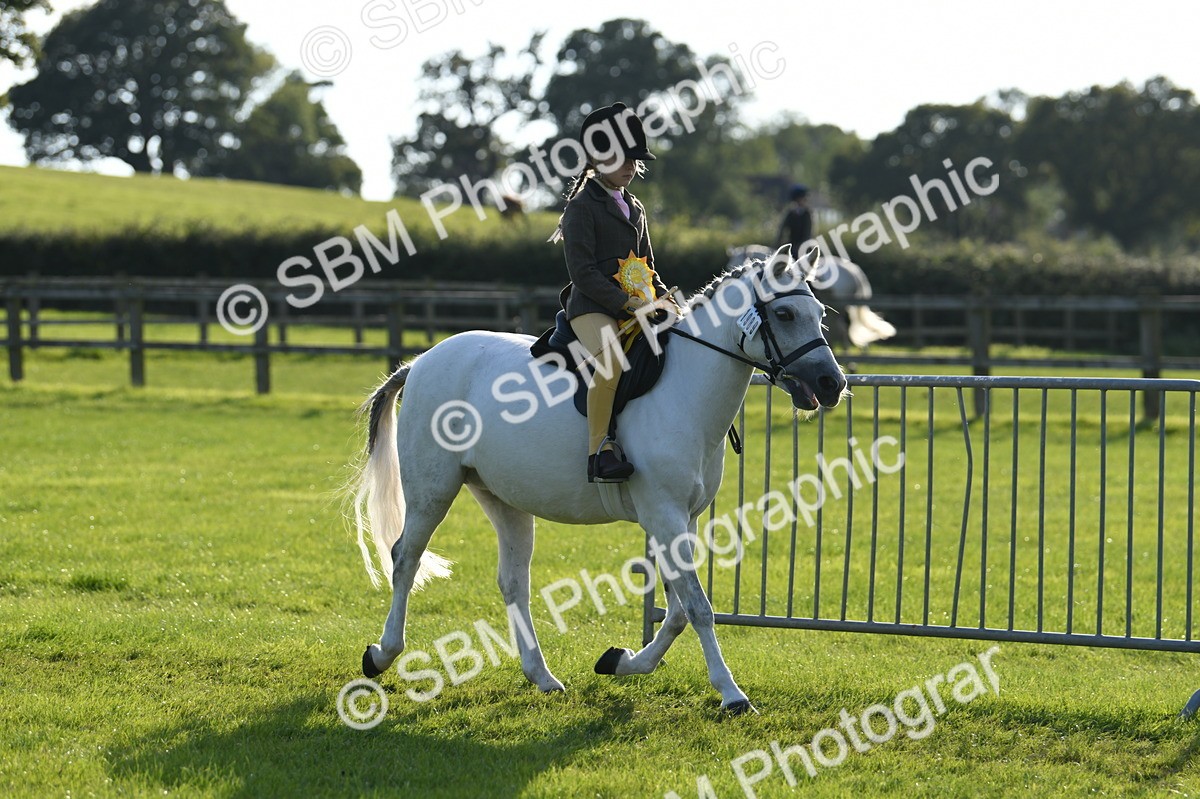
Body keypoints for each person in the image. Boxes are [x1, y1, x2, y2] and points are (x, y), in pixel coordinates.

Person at [548, 102, 669, 483]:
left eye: (635, 161)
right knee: (612, 358)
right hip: (591, 307)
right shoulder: (580, 207)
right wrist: (624, 302)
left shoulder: (636, 207)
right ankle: (599, 450)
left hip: (637, 306)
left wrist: (665, 300)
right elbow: (582, 273)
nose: (631, 167)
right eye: (622, 159)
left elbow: (647, 265)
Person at [777, 183, 813, 261]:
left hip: (804, 246)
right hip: (791, 245)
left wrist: (800, 247)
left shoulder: (807, 214)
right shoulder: (790, 213)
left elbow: (808, 233)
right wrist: (779, 244)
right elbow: (782, 229)